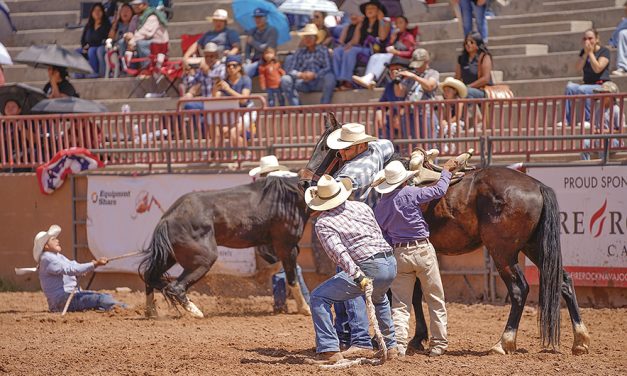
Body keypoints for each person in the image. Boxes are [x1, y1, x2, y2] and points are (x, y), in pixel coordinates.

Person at [304, 175, 399, 363]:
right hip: (390, 262)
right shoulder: (362, 207)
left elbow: (339, 253)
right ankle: (391, 346)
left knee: (318, 297)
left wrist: (357, 275)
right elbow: (375, 233)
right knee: (380, 300)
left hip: (369, 266)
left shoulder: (324, 223)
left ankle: (330, 350)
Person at [373, 158, 458, 357]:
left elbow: (383, 234)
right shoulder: (410, 193)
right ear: (403, 180)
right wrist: (446, 171)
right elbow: (438, 191)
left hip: (399, 254)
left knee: (400, 304)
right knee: (435, 299)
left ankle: (400, 345)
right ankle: (438, 344)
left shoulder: (380, 207)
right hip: (422, 250)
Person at [324, 122, 395, 356]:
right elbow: (388, 145)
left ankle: (359, 340)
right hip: (372, 230)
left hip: (352, 233)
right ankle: (386, 342)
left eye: (346, 149)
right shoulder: (379, 148)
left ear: (361, 145)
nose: (341, 154)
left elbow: (343, 186)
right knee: (378, 296)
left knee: (350, 285)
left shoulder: (351, 171)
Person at [249, 155, 311, 313]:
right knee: (291, 265)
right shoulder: (290, 179)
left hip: (273, 229)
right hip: (291, 226)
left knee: (282, 266)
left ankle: (281, 304)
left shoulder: (266, 183)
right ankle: (305, 302)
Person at [34, 225, 127, 312]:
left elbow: (73, 266)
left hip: (64, 299)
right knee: (101, 298)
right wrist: (95, 264)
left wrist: (85, 268)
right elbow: (72, 269)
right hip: (63, 301)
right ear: (46, 246)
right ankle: (125, 309)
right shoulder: (47, 258)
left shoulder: (55, 257)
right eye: (53, 239)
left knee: (101, 297)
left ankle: (119, 307)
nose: (57, 240)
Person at [333, 0, 391, 90]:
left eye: (372, 8)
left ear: (378, 10)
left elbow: (382, 37)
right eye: (367, 8)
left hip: (375, 50)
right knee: (338, 51)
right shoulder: (362, 23)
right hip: (362, 48)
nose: (369, 10)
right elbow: (355, 40)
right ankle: (337, 80)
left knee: (351, 51)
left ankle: (347, 81)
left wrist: (380, 20)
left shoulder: (385, 22)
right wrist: (348, 45)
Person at [562, 28, 610, 127]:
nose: (587, 41)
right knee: (570, 87)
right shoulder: (583, 52)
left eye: (590, 38)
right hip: (587, 85)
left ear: (597, 39)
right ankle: (566, 120)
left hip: (601, 86)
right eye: (584, 39)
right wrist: (585, 54)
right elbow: (578, 69)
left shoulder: (604, 51)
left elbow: (598, 68)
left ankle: (588, 120)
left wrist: (591, 53)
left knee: (582, 89)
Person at [353, 15, 416, 89]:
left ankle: (371, 78)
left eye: (400, 23)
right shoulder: (396, 35)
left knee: (384, 57)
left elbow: (410, 53)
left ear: (406, 24)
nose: (398, 25)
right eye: (396, 23)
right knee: (375, 56)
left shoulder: (408, 36)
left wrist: (397, 52)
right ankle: (367, 79)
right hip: (393, 57)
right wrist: (392, 40)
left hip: (403, 59)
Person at [281, 24, 336, 106]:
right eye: (306, 37)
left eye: (310, 37)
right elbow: (291, 70)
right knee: (285, 79)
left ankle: (324, 107)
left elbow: (328, 67)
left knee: (330, 77)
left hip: (318, 81)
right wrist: (301, 75)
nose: (308, 39)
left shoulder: (323, 50)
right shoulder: (299, 52)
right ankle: (297, 108)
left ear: (316, 38)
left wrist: (314, 75)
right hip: (302, 82)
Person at [397, 48, 440, 140]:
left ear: (426, 62)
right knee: (412, 143)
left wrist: (414, 77)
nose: (417, 67)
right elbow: (400, 93)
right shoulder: (410, 76)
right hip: (409, 113)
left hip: (426, 112)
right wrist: (397, 80)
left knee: (429, 142)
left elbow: (430, 86)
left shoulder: (432, 73)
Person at [215, 54, 253, 150]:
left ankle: (239, 157)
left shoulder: (246, 80)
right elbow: (216, 97)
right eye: (228, 65)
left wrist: (228, 90)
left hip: (246, 111)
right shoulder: (225, 81)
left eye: (234, 65)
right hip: (232, 113)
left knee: (233, 132)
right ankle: (244, 152)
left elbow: (244, 100)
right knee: (223, 131)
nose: (231, 68)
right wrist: (215, 89)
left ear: (240, 67)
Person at [581, 81, 624, 160]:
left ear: (611, 95)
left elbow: (620, 130)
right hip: (599, 139)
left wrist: (605, 131)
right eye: (600, 93)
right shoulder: (599, 110)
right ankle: (586, 165)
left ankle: (603, 165)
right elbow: (597, 127)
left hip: (615, 142)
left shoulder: (616, 110)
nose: (601, 96)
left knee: (602, 141)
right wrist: (595, 130)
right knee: (585, 143)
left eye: (603, 93)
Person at [374, 56, 413, 139]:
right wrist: (380, 113)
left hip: (410, 117)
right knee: (384, 122)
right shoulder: (390, 85)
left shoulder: (411, 83)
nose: (394, 72)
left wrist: (401, 115)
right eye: (391, 70)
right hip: (394, 120)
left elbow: (410, 102)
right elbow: (381, 105)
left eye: (397, 69)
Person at [122, 0, 169, 66]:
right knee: (122, 42)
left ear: (145, 5)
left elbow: (145, 33)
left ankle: (147, 67)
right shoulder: (136, 17)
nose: (136, 7)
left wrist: (132, 40)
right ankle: (129, 67)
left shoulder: (152, 16)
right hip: (142, 38)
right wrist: (127, 36)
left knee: (141, 43)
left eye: (139, 5)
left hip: (158, 43)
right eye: (134, 5)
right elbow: (132, 32)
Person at [76, 3, 111, 78]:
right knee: (77, 51)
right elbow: (83, 39)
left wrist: (89, 47)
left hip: (101, 47)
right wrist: (84, 47)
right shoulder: (88, 25)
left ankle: (93, 72)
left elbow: (105, 38)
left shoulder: (106, 25)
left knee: (92, 50)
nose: (97, 12)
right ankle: (79, 73)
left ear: (103, 12)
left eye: (99, 10)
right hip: (88, 47)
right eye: (95, 11)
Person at [455, 32, 492, 99]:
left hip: (482, 90)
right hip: (466, 89)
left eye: (471, 42)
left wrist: (469, 86)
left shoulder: (484, 57)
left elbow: (486, 79)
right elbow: (457, 78)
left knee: (467, 92)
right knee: (449, 92)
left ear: (478, 44)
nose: (468, 44)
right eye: (466, 42)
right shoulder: (461, 58)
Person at [243, 8, 278, 78]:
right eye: (256, 17)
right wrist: (247, 60)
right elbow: (247, 50)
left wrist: (252, 42)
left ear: (266, 18)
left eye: (260, 17)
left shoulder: (272, 31)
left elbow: (266, 49)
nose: (257, 20)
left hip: (267, 60)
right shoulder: (252, 31)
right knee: (243, 68)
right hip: (255, 60)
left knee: (246, 70)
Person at [105, 2, 137, 77]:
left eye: (127, 11)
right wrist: (114, 24)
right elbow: (110, 37)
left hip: (128, 46)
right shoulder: (118, 24)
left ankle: (125, 69)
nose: (125, 13)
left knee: (122, 42)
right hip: (116, 47)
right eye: (123, 11)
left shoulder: (134, 23)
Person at [610, 3, 627, 76]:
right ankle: (622, 67)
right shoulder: (625, 22)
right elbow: (615, 35)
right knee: (622, 33)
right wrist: (612, 43)